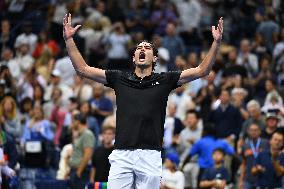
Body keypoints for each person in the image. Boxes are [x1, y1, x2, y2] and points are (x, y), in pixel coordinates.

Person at [63, 13, 223, 189]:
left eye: (147, 48)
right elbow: (83, 69)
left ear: (154, 58)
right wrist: (69, 40)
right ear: (133, 58)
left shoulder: (165, 79)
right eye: (139, 48)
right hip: (121, 154)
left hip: (150, 155)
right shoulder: (119, 78)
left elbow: (202, 70)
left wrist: (216, 43)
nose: (142, 49)